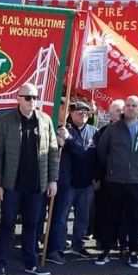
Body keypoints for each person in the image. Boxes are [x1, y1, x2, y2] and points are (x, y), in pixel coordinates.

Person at [0, 83, 59, 275]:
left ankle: (31, 263)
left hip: (37, 185)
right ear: (18, 98)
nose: (32, 101)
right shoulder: (5, 122)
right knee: (7, 224)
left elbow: (53, 152)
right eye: (28, 97)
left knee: (33, 225)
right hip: (12, 185)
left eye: (35, 97)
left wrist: (53, 180)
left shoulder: (45, 121)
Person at [94, 95, 138, 269]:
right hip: (114, 180)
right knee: (111, 217)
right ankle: (106, 250)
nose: (130, 108)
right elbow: (102, 151)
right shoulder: (113, 129)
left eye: (133, 105)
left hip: (136, 182)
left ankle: (133, 253)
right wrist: (112, 168)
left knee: (134, 219)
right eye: (127, 105)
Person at [45, 101, 97, 265]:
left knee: (83, 218)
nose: (83, 114)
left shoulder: (94, 132)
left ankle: (78, 245)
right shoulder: (63, 130)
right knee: (60, 217)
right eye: (79, 112)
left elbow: (88, 155)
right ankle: (55, 249)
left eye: (86, 112)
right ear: (71, 113)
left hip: (86, 183)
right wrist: (63, 139)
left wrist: (69, 142)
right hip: (67, 183)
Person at [90, 98, 124, 249]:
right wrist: (96, 177)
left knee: (119, 210)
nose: (121, 113)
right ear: (110, 114)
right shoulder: (103, 132)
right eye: (117, 110)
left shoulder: (132, 131)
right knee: (103, 210)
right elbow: (98, 156)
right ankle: (101, 238)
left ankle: (115, 239)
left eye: (122, 110)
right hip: (105, 178)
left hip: (124, 180)